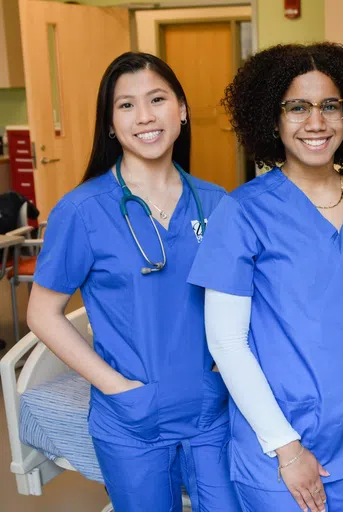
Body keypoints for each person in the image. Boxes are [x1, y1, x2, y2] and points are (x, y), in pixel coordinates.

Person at [187, 42, 343, 512]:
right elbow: (227, 342)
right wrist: (286, 448)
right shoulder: (244, 212)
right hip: (277, 451)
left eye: (329, 105)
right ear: (272, 118)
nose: (316, 122)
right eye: (297, 107)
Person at [27, 52, 240, 511]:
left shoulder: (218, 204)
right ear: (109, 124)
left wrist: (224, 374)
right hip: (130, 418)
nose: (144, 116)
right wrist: (116, 388)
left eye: (157, 99)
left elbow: (245, 301)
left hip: (210, 412)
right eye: (126, 105)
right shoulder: (83, 211)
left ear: (181, 110)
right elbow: (41, 313)